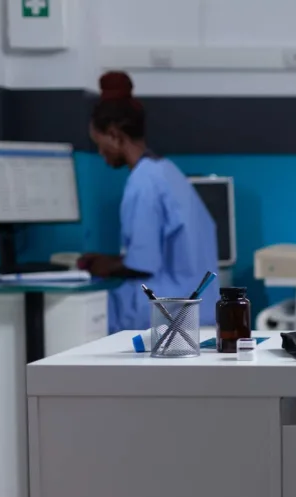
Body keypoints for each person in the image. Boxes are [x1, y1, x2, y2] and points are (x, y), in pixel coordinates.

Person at [78, 71, 220, 334]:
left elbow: (141, 264)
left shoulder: (142, 183)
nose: (100, 153)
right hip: (202, 310)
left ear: (116, 136)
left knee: (79, 319)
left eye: (100, 145)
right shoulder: (168, 172)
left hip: (169, 318)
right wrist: (111, 260)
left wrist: (102, 266)